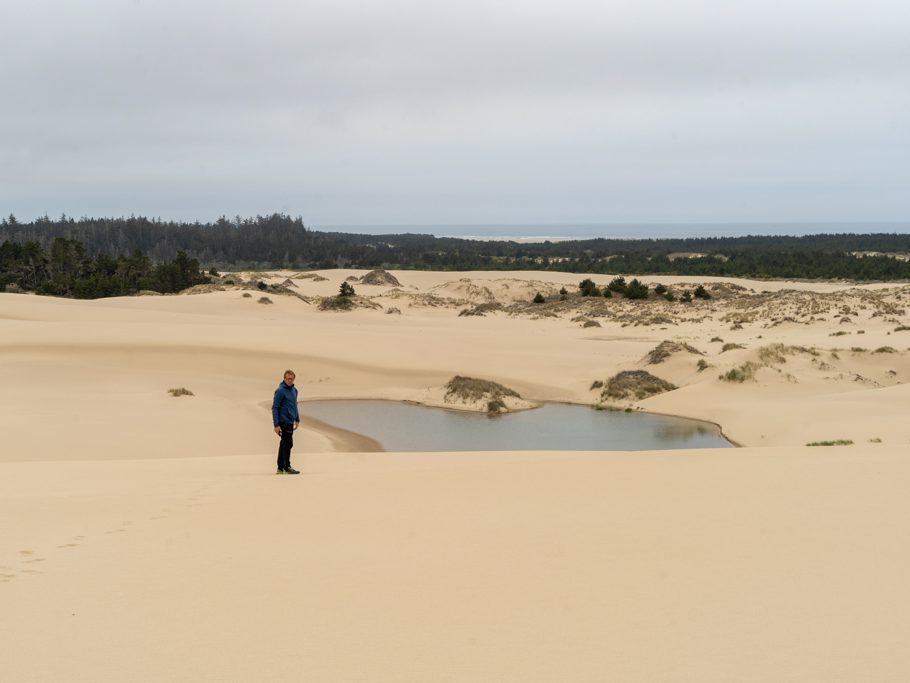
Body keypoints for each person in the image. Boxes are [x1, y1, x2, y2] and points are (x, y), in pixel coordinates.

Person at [272, 369, 301, 474]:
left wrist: (297, 419)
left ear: (294, 380)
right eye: (288, 379)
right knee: (287, 443)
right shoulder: (280, 391)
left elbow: (294, 405)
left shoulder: (294, 390)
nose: (289, 381)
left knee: (285, 444)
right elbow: (275, 408)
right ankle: (285, 467)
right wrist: (276, 425)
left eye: (291, 379)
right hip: (283, 421)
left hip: (290, 421)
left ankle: (281, 468)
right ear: (284, 379)